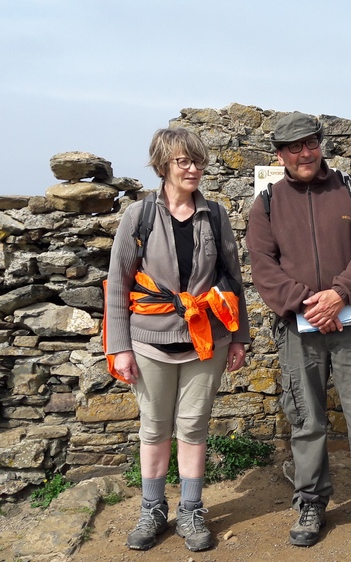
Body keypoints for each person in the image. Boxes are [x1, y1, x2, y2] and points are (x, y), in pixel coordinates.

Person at [245, 112, 351, 555]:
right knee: (306, 421)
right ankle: (310, 505)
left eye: (310, 143)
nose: (304, 153)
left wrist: (339, 295)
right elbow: (263, 266)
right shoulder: (267, 204)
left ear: (320, 144)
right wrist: (311, 305)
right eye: (293, 147)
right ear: (279, 155)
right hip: (297, 327)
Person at [105, 127, 250, 552]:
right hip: (149, 341)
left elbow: (233, 280)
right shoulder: (139, 216)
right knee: (153, 428)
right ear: (162, 165)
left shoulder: (215, 215)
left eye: (198, 161)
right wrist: (119, 348)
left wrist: (238, 338)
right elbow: (118, 284)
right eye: (183, 161)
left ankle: (190, 510)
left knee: (193, 427)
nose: (193, 169)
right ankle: (152, 510)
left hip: (207, 342)